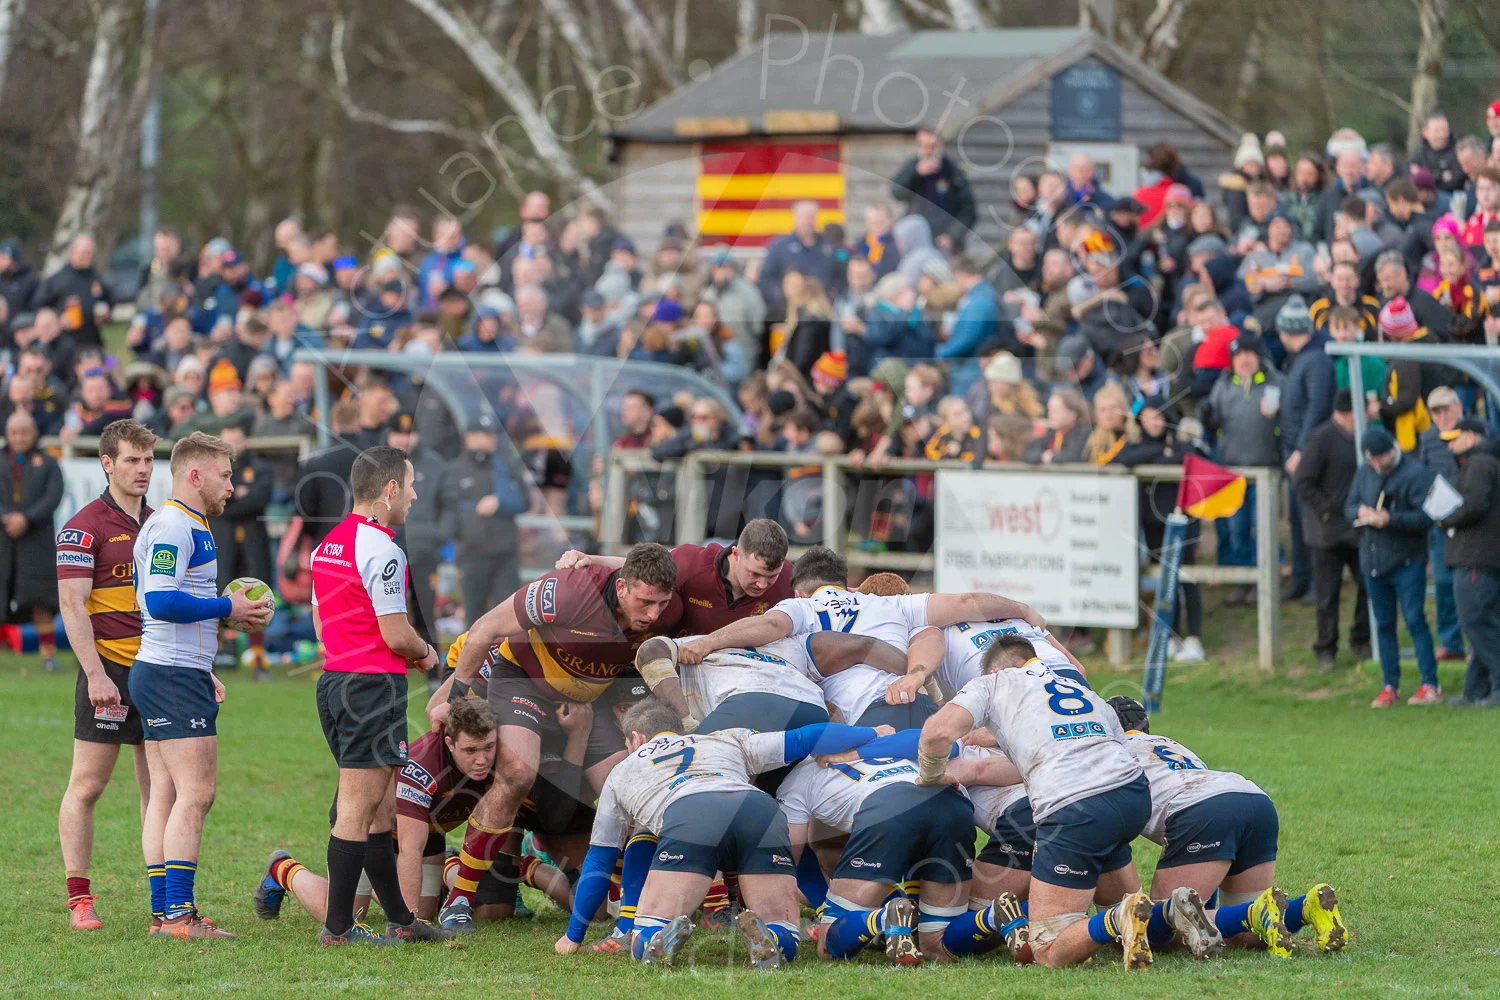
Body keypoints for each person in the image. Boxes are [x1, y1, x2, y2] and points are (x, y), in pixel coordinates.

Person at [437, 545, 688, 931]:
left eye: (662, 603)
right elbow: (486, 627)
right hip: (523, 682)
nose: (654, 614)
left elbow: (681, 564)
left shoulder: (663, 603)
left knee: (631, 781)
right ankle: (458, 901)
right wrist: (454, 701)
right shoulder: (568, 591)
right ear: (621, 588)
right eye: (646, 602)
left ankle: (638, 901)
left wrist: (594, 556)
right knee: (518, 772)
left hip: (589, 699)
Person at [556, 698, 882, 966]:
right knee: (783, 930)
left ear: (636, 739)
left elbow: (599, 861)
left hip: (691, 815)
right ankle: (775, 939)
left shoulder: (622, 770)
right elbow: (806, 737)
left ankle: (657, 936)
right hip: (758, 811)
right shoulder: (724, 737)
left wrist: (573, 936)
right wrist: (871, 733)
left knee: (643, 943)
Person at [916, 636, 1158, 970]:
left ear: (996, 669)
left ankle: (1116, 919)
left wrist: (930, 774)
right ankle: (1150, 913)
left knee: (1046, 947)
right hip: (1132, 795)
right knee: (1106, 873)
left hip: (1076, 807)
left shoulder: (993, 682)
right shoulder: (1084, 692)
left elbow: (936, 733)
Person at [130, 432, 272, 939]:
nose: (232, 486)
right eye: (226, 474)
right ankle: (177, 917)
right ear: (195, 475)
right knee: (196, 794)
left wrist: (203, 660)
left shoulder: (186, 524)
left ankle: (164, 912)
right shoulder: (172, 525)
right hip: (169, 674)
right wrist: (226, 608)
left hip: (172, 669)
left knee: (167, 794)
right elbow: (162, 602)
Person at [308, 445, 448, 945]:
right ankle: (338, 927)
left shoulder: (327, 544)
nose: (413, 496)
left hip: (337, 681)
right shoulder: (383, 549)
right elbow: (395, 634)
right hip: (370, 687)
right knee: (357, 810)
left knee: (382, 811)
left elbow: (323, 621)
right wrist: (428, 653)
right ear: (389, 490)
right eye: (409, 486)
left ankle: (402, 920)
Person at [675, 545, 1044, 730]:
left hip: (864, 714)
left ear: (800, 591)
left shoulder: (802, 609)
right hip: (919, 705)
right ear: (847, 583)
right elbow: (966, 602)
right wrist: (1023, 609)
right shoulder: (896, 605)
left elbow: (769, 628)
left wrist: (708, 642)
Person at [1108, 697, 1347, 958]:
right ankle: (1307, 908)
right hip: (1254, 800)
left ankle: (1258, 913)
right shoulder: (1168, 744)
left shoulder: (1112, 754)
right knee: (1244, 935)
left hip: (1204, 810)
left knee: (1158, 928)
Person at [55, 419, 157, 931]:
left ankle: (165, 899)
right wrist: (96, 674)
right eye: (132, 460)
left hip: (159, 671)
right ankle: (79, 897)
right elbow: (71, 606)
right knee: (89, 784)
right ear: (107, 463)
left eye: (147, 460)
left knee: (158, 789)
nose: (142, 469)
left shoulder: (161, 524)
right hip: (110, 670)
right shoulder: (83, 526)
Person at [557, 519, 794, 637]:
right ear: (736, 554)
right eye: (755, 574)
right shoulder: (693, 564)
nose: (762, 584)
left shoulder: (790, 582)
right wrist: (589, 558)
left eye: (771, 576)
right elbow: (640, 567)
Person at [1345, 426, 1440, 708]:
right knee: (1384, 625)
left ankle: (1430, 684)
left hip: (1407, 561)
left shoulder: (1415, 473)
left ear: (1391, 450)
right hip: (1373, 562)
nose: (1375, 464)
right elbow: (1348, 505)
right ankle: (1390, 685)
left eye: (1378, 459)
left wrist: (1391, 520)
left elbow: (1425, 519)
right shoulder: (1365, 471)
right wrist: (1360, 512)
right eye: (1370, 459)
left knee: (1414, 620)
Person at [1201, 332, 1283, 602]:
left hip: (1266, 473)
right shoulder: (1223, 386)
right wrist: (1206, 418)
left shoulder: (1275, 384)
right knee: (1237, 530)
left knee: (1264, 530)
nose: (1245, 360)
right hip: (1233, 474)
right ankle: (1243, 584)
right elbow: (1212, 423)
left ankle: (1267, 584)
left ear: (1259, 356)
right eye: (1239, 355)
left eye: (1249, 354)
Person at [1293, 391, 1371, 671]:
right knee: (1327, 596)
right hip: (1326, 535)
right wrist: (1325, 509)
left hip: (1357, 530)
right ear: (1348, 412)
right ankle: (1326, 649)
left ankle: (1361, 639)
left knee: (1368, 587)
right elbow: (1302, 482)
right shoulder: (1321, 439)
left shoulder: (1362, 436)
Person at [1434, 419, 1500, 708]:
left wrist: (1445, 518)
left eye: (1455, 439)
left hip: (1476, 557)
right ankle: (1475, 689)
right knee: (1479, 623)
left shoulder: (1480, 463)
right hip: (1478, 556)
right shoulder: (1482, 462)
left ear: (1471, 436)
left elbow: (1475, 505)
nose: (1450, 446)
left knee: (1476, 621)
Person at [442, 412, 529, 628]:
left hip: (504, 556)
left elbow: (525, 500)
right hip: (471, 556)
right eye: (484, 434)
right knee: (474, 618)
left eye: (492, 435)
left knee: (510, 618)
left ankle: (507, 662)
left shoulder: (505, 466)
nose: (491, 439)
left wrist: (500, 502)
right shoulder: (454, 470)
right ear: (470, 437)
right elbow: (447, 510)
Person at [1277, 295, 1335, 603]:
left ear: (1286, 331)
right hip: (1295, 453)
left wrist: (1301, 450)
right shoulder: (1301, 360)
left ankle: (1316, 583)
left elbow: (1317, 408)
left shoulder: (1316, 360)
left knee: (1311, 522)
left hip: (1307, 456)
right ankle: (1301, 579)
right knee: (1298, 522)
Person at [208, 424, 273, 677]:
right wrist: (241, 496)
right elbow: (213, 498)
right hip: (221, 541)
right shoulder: (212, 471)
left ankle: (259, 660)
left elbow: (259, 499)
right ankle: (210, 658)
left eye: (237, 439)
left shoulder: (260, 468)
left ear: (246, 442)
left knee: (257, 596)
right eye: (228, 441)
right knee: (216, 595)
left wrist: (229, 502)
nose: (233, 445)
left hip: (252, 542)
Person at [0, 409, 64, 669]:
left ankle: (48, 655)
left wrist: (27, 518)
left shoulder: (48, 463)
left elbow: (54, 496)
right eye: (14, 432)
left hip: (37, 542)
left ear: (34, 433)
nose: (19, 437)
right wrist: (7, 518)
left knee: (41, 599)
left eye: (24, 431)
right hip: (4, 540)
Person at [1419, 387, 1467, 663]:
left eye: (1446, 409)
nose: (1442, 416)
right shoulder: (1427, 438)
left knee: (1476, 585)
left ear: (1458, 406)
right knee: (1443, 582)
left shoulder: (1476, 431)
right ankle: (1451, 642)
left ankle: (1479, 645)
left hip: (1472, 521)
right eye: (1436, 412)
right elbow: (1424, 477)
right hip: (1440, 523)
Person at [889, 128, 976, 251]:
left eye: (932, 146)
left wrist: (952, 236)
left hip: (945, 244)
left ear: (940, 146)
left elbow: (969, 211)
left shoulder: (953, 171)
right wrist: (916, 173)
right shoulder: (912, 166)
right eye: (923, 146)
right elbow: (896, 193)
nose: (928, 151)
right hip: (917, 241)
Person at [30, 235, 114, 347]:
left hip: (92, 340)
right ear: (72, 252)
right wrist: (58, 319)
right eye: (83, 252)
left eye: (90, 252)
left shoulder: (97, 278)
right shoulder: (57, 280)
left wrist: (106, 315)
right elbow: (38, 305)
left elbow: (109, 302)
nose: (87, 256)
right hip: (64, 342)